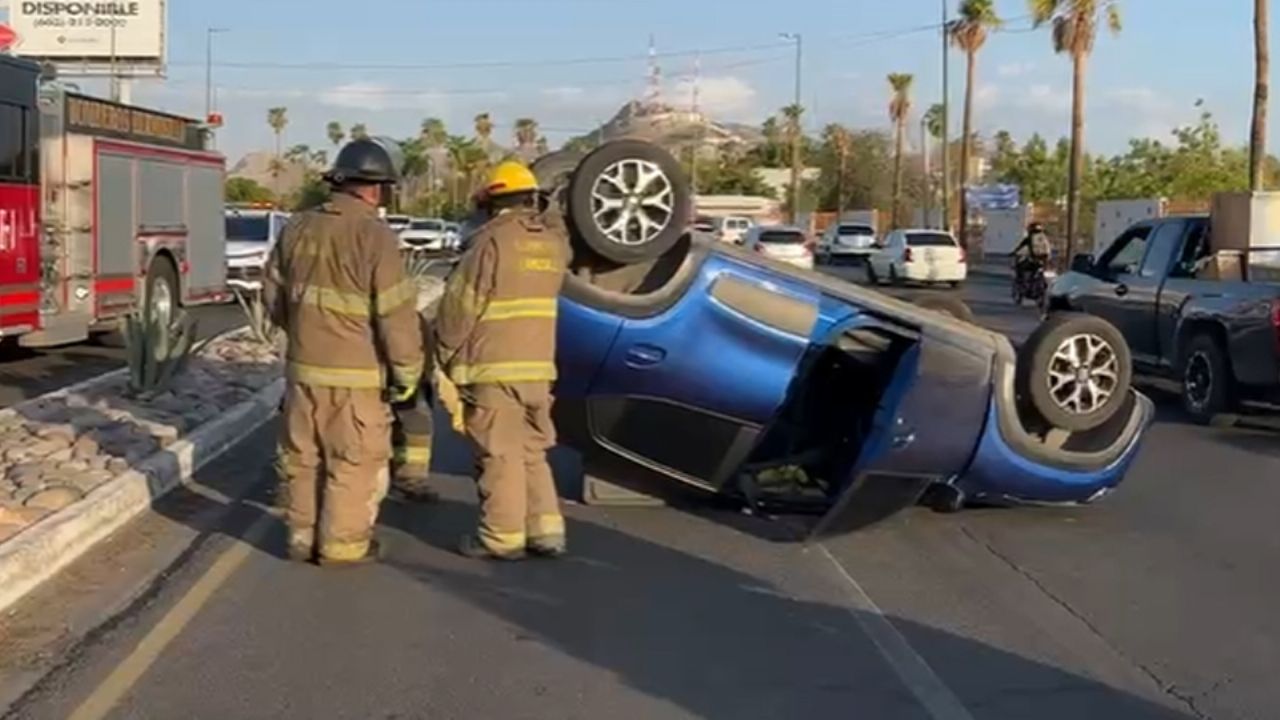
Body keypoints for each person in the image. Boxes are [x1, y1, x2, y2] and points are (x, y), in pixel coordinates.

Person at [264, 137, 423, 566]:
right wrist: (407, 373)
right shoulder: (375, 236)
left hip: (302, 374)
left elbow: (273, 298)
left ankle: (300, 539)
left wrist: (303, 334)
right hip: (356, 379)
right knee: (353, 461)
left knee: (303, 456)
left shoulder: (296, 227)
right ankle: (342, 546)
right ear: (374, 189)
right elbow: (395, 315)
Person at [434, 160, 569, 561]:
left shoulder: (490, 243)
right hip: (540, 369)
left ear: (490, 202)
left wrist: (442, 351)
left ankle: (501, 538)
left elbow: (460, 309)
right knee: (531, 450)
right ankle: (547, 532)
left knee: (499, 453)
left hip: (493, 368)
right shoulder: (553, 244)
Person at [1012, 222, 1053, 289]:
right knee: (1039, 270)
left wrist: (1013, 253)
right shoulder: (1044, 237)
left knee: (1020, 266)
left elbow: (1020, 247)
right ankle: (1039, 281)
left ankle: (1022, 282)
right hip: (1045, 259)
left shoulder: (1029, 238)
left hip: (1034, 259)